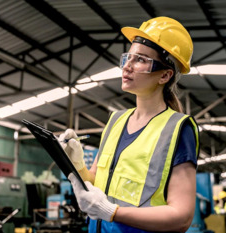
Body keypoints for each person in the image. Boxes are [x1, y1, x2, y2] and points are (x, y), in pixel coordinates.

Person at [59, 16, 199, 233]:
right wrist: (77, 165)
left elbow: (181, 217)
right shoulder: (116, 121)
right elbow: (97, 183)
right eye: (128, 57)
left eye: (141, 60)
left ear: (165, 75)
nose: (127, 66)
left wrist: (112, 212)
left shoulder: (177, 129)